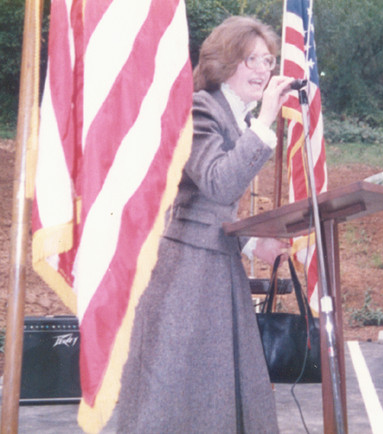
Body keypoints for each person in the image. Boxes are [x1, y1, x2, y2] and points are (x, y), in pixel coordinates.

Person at [117, 16, 295, 432]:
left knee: (214, 395)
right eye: (251, 59)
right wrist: (267, 120)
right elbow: (218, 182)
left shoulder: (234, 115)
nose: (263, 70)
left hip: (215, 266)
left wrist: (254, 245)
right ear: (224, 62)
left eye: (268, 61)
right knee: (180, 395)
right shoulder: (200, 108)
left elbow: (215, 207)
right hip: (186, 275)